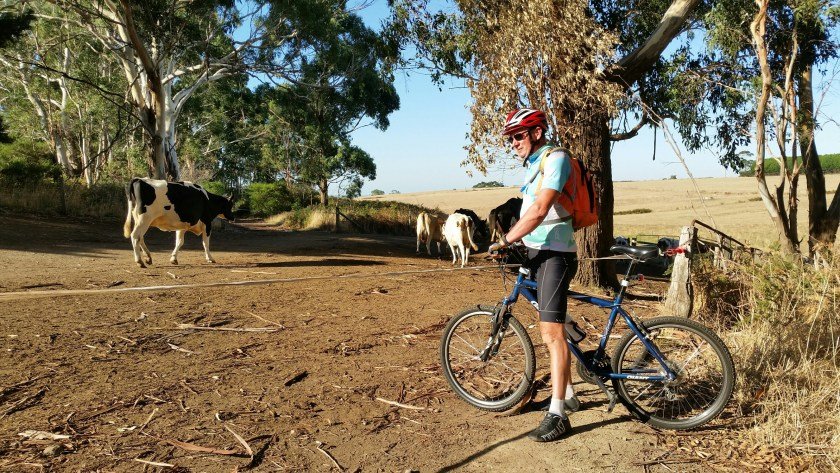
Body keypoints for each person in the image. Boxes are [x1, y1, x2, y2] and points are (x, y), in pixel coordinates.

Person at [489, 108, 580, 442]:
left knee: (551, 332)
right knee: (552, 322)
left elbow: (541, 209)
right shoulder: (533, 164)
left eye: (518, 136)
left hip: (555, 253)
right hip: (537, 252)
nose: (513, 143)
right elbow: (530, 211)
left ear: (537, 132)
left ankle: (558, 414)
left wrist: (506, 239)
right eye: (511, 138)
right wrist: (517, 241)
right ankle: (568, 393)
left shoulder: (556, 160)